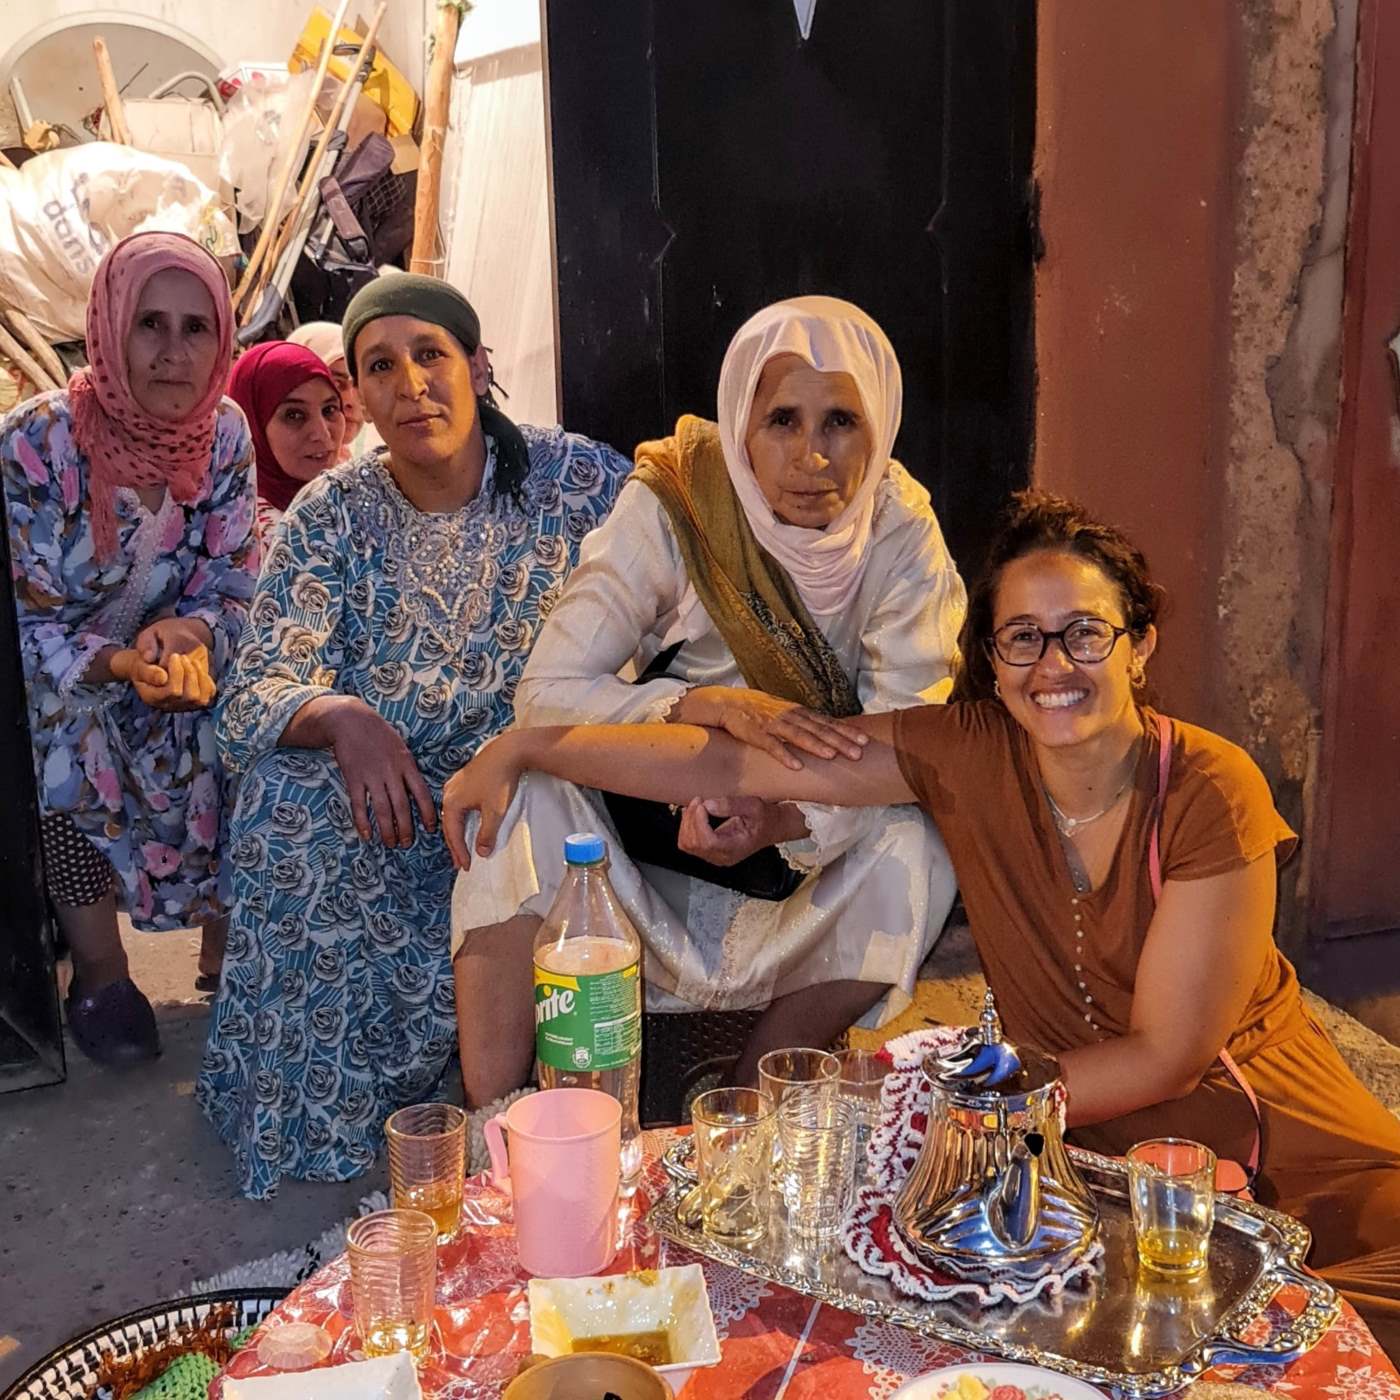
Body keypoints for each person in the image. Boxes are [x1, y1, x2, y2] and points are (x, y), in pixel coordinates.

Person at [441, 490, 1400, 1348]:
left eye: (1085, 633)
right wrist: (530, 747)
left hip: (1268, 1163)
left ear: (1140, 646)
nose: (1052, 663)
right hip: (1069, 1165)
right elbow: (727, 766)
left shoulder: (1206, 788)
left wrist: (946, 1107)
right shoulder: (969, 753)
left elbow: (1165, 1059)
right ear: (990, 657)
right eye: (1021, 637)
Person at [449, 295, 965, 1105]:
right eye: (783, 421)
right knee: (521, 805)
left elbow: (911, 742)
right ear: (740, 424)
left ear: (881, 427)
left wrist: (779, 813)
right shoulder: (681, 504)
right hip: (632, 865)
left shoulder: (901, 531)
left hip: (800, 857)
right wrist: (695, 709)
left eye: (841, 423)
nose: (812, 459)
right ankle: (501, 1118)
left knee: (921, 839)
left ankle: (751, 1087)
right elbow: (545, 694)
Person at [197, 274, 632, 1198]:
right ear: (359, 393)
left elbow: (680, 564)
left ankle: (500, 1102)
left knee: (528, 808)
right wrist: (343, 717)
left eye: (431, 356)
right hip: (388, 798)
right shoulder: (333, 515)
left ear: (477, 366)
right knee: (282, 797)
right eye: (381, 367)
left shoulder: (577, 480)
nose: (411, 385)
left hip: (529, 777)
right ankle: (324, 1120)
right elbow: (254, 692)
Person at [0, 231, 257, 1063]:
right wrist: (120, 666)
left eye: (197, 329)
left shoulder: (224, 437)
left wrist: (187, 640)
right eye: (150, 323)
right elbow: (25, 621)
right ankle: (103, 978)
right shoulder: (36, 445)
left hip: (171, 659)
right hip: (59, 672)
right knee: (65, 738)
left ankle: (232, 947)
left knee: (252, 708)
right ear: (108, 326)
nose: (174, 354)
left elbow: (232, 580)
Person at [228, 341, 345, 536]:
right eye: (294, 415)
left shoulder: (352, 501)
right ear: (252, 423)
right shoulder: (245, 537)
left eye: (329, 410)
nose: (321, 433)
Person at [287, 321, 372, 460]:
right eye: (336, 384)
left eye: (358, 383)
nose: (350, 400)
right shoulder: (250, 470)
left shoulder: (350, 468)